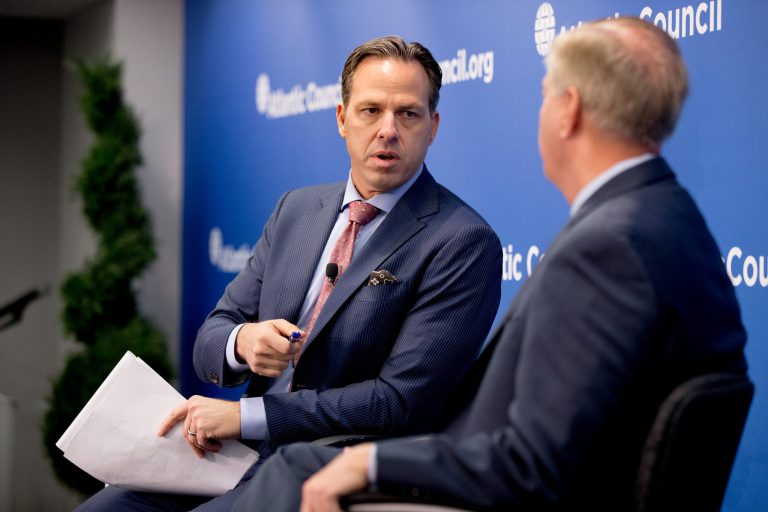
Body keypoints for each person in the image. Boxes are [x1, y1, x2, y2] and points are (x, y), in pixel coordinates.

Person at [231, 17, 748, 512]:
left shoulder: (608, 247)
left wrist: (370, 462)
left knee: (293, 471)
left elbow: (531, 463)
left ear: (568, 110)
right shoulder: (666, 218)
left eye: (544, 95)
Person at [75, 36, 502, 511]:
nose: (388, 130)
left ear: (433, 126)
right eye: (370, 111)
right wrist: (242, 342)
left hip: (334, 466)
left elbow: (398, 402)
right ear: (341, 118)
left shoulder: (461, 240)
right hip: (230, 456)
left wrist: (248, 416)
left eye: (408, 113)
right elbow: (210, 340)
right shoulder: (296, 209)